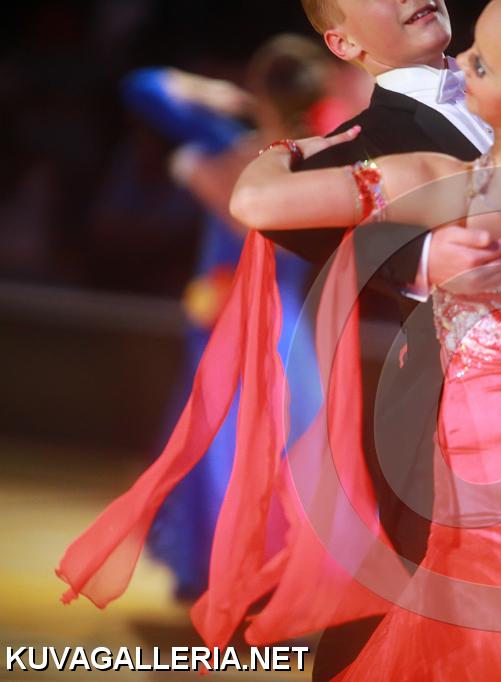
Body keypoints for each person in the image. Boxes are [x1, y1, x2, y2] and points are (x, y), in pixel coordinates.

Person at [59, 1, 501, 679]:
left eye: (482, 63)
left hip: (482, 479)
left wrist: (286, 147)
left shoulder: (454, 178)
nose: (466, 65)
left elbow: (253, 198)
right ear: (343, 42)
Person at [118, 35, 357, 600]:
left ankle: (223, 570)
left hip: (231, 321)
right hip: (285, 327)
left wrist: (210, 93)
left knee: (221, 445)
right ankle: (269, 575)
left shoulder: (230, 148)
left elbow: (142, 87)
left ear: (258, 90)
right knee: (284, 443)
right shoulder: (324, 160)